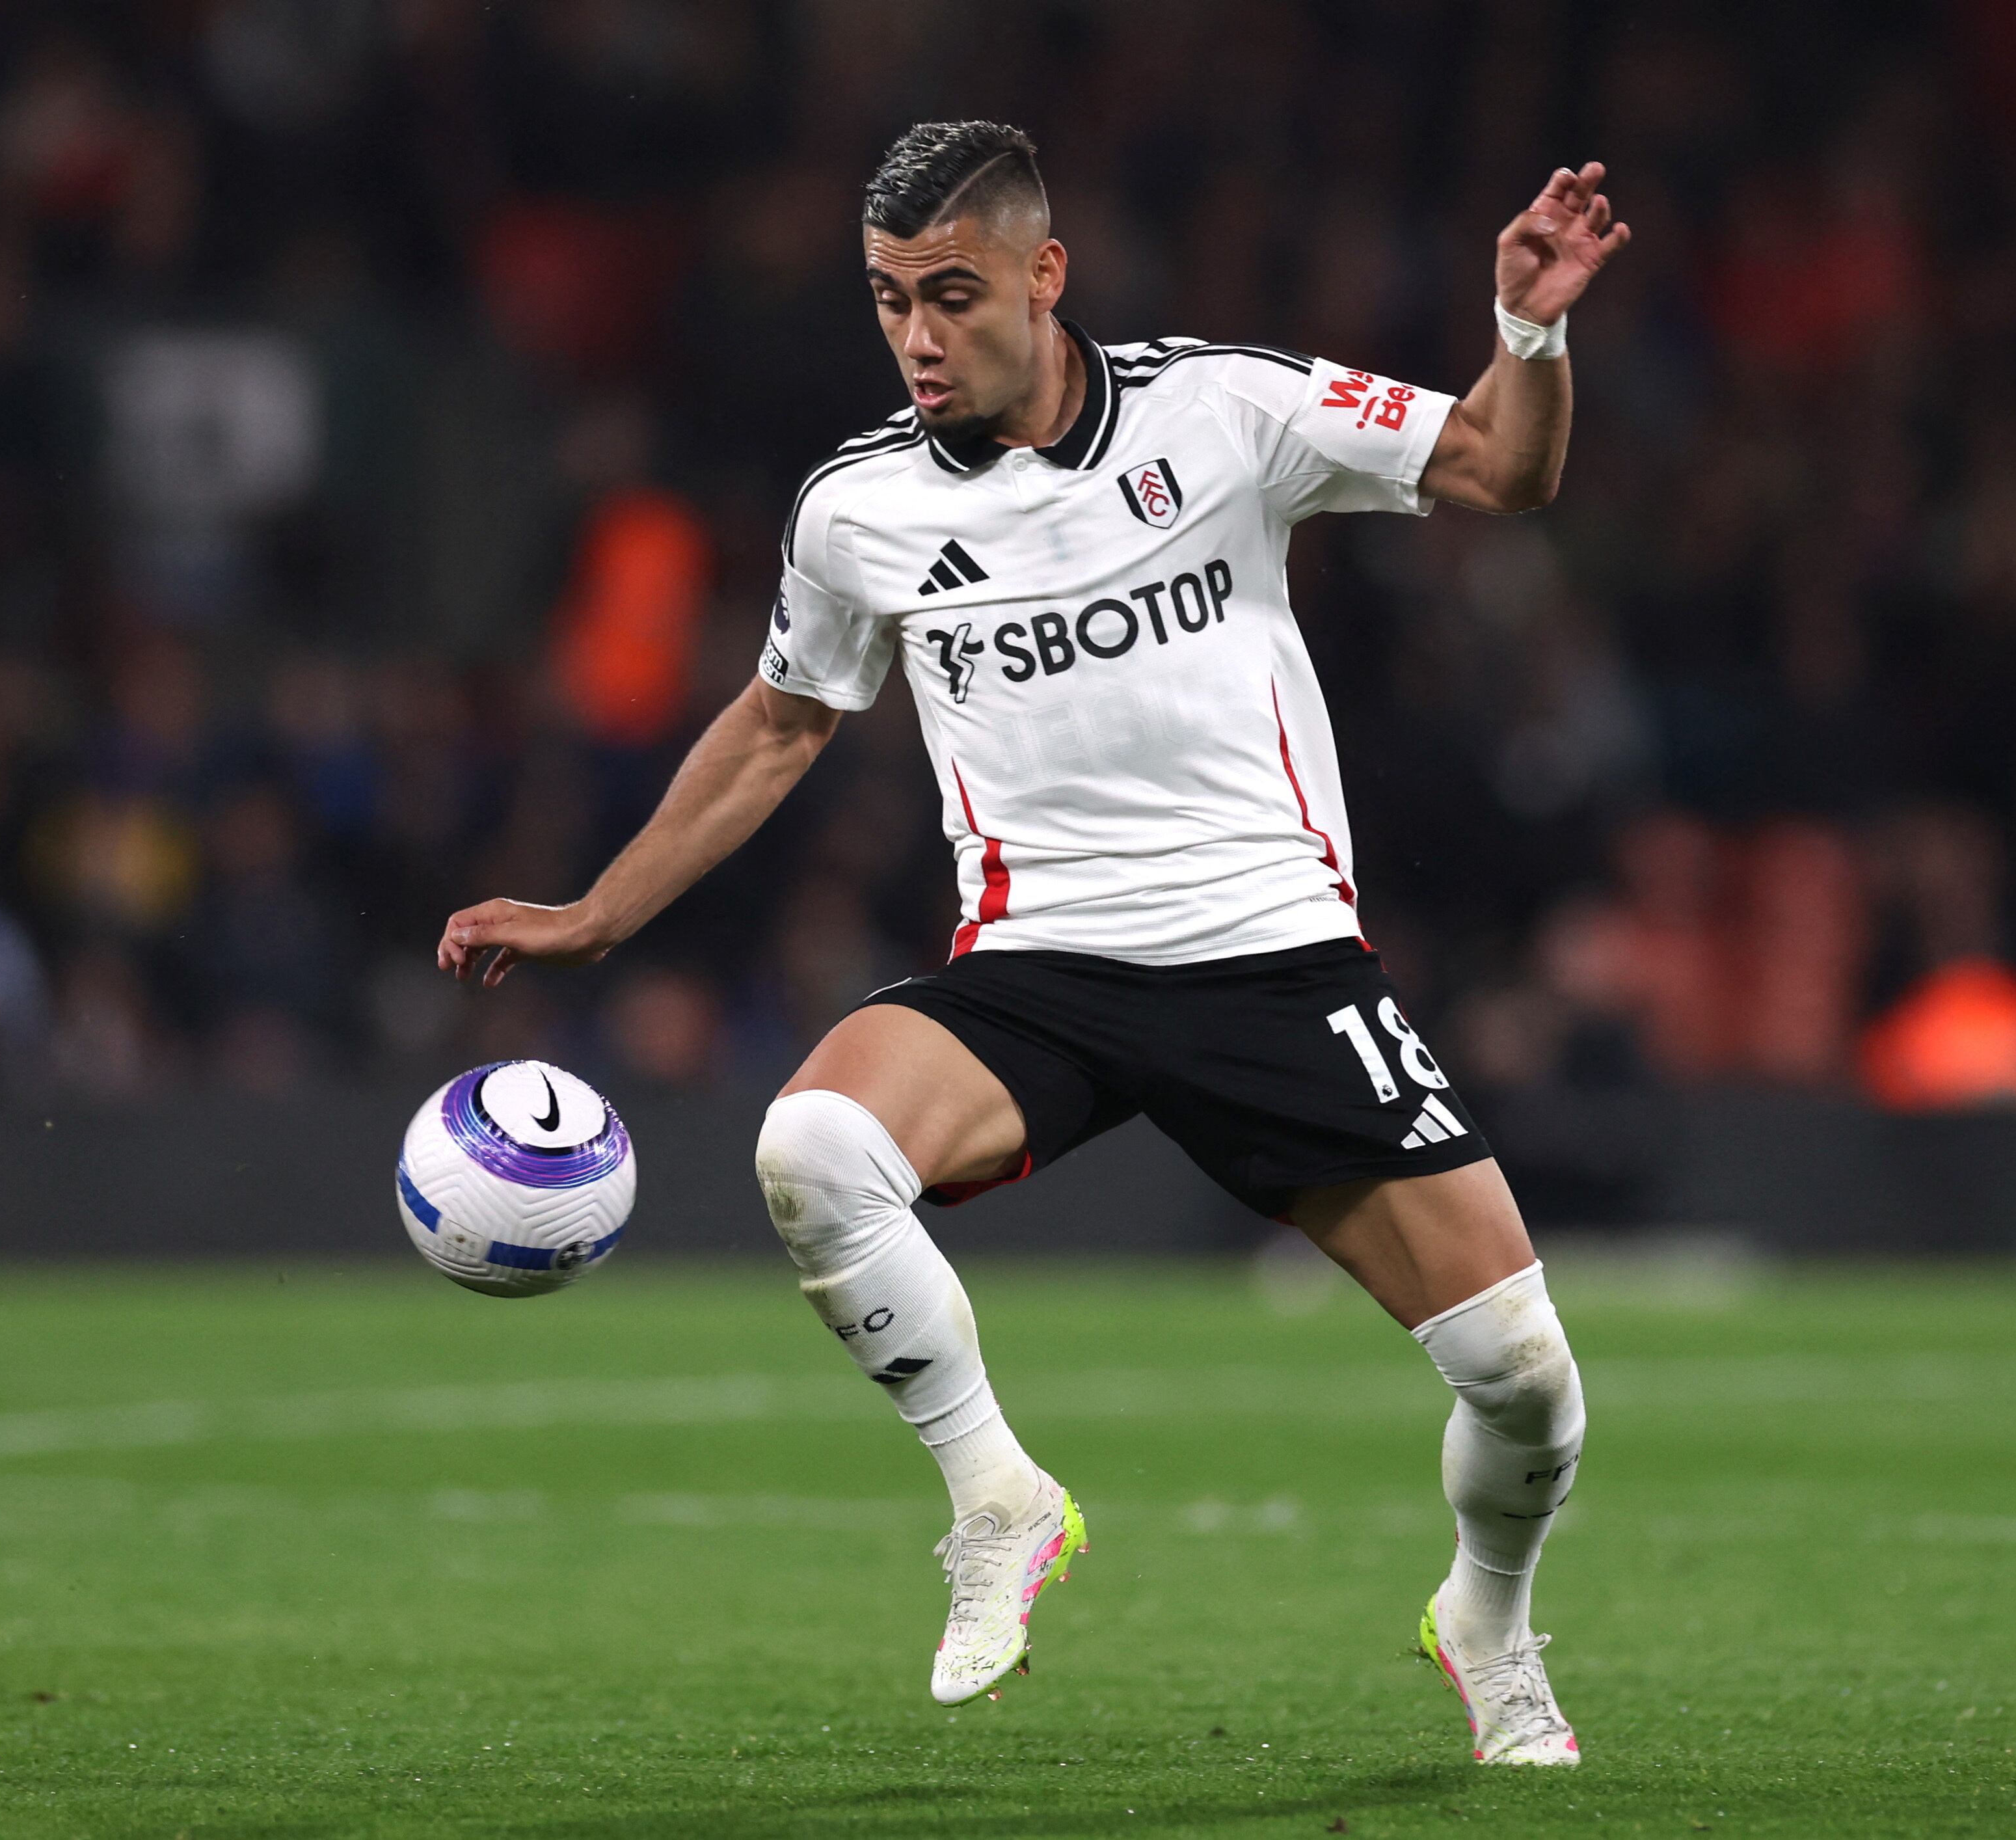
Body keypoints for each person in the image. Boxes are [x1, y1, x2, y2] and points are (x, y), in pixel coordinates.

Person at [440, 121, 1627, 1767]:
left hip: (1271, 953)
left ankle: (1489, 1622)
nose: (919, 338)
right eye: (887, 302)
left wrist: (1532, 328)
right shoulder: (856, 509)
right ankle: (999, 1495)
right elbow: (780, 723)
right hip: (1041, 966)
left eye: (952, 294)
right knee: (812, 1146)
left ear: (1044, 275)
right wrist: (597, 911)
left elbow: (1508, 467)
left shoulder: (1224, 410)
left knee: (1522, 1376)